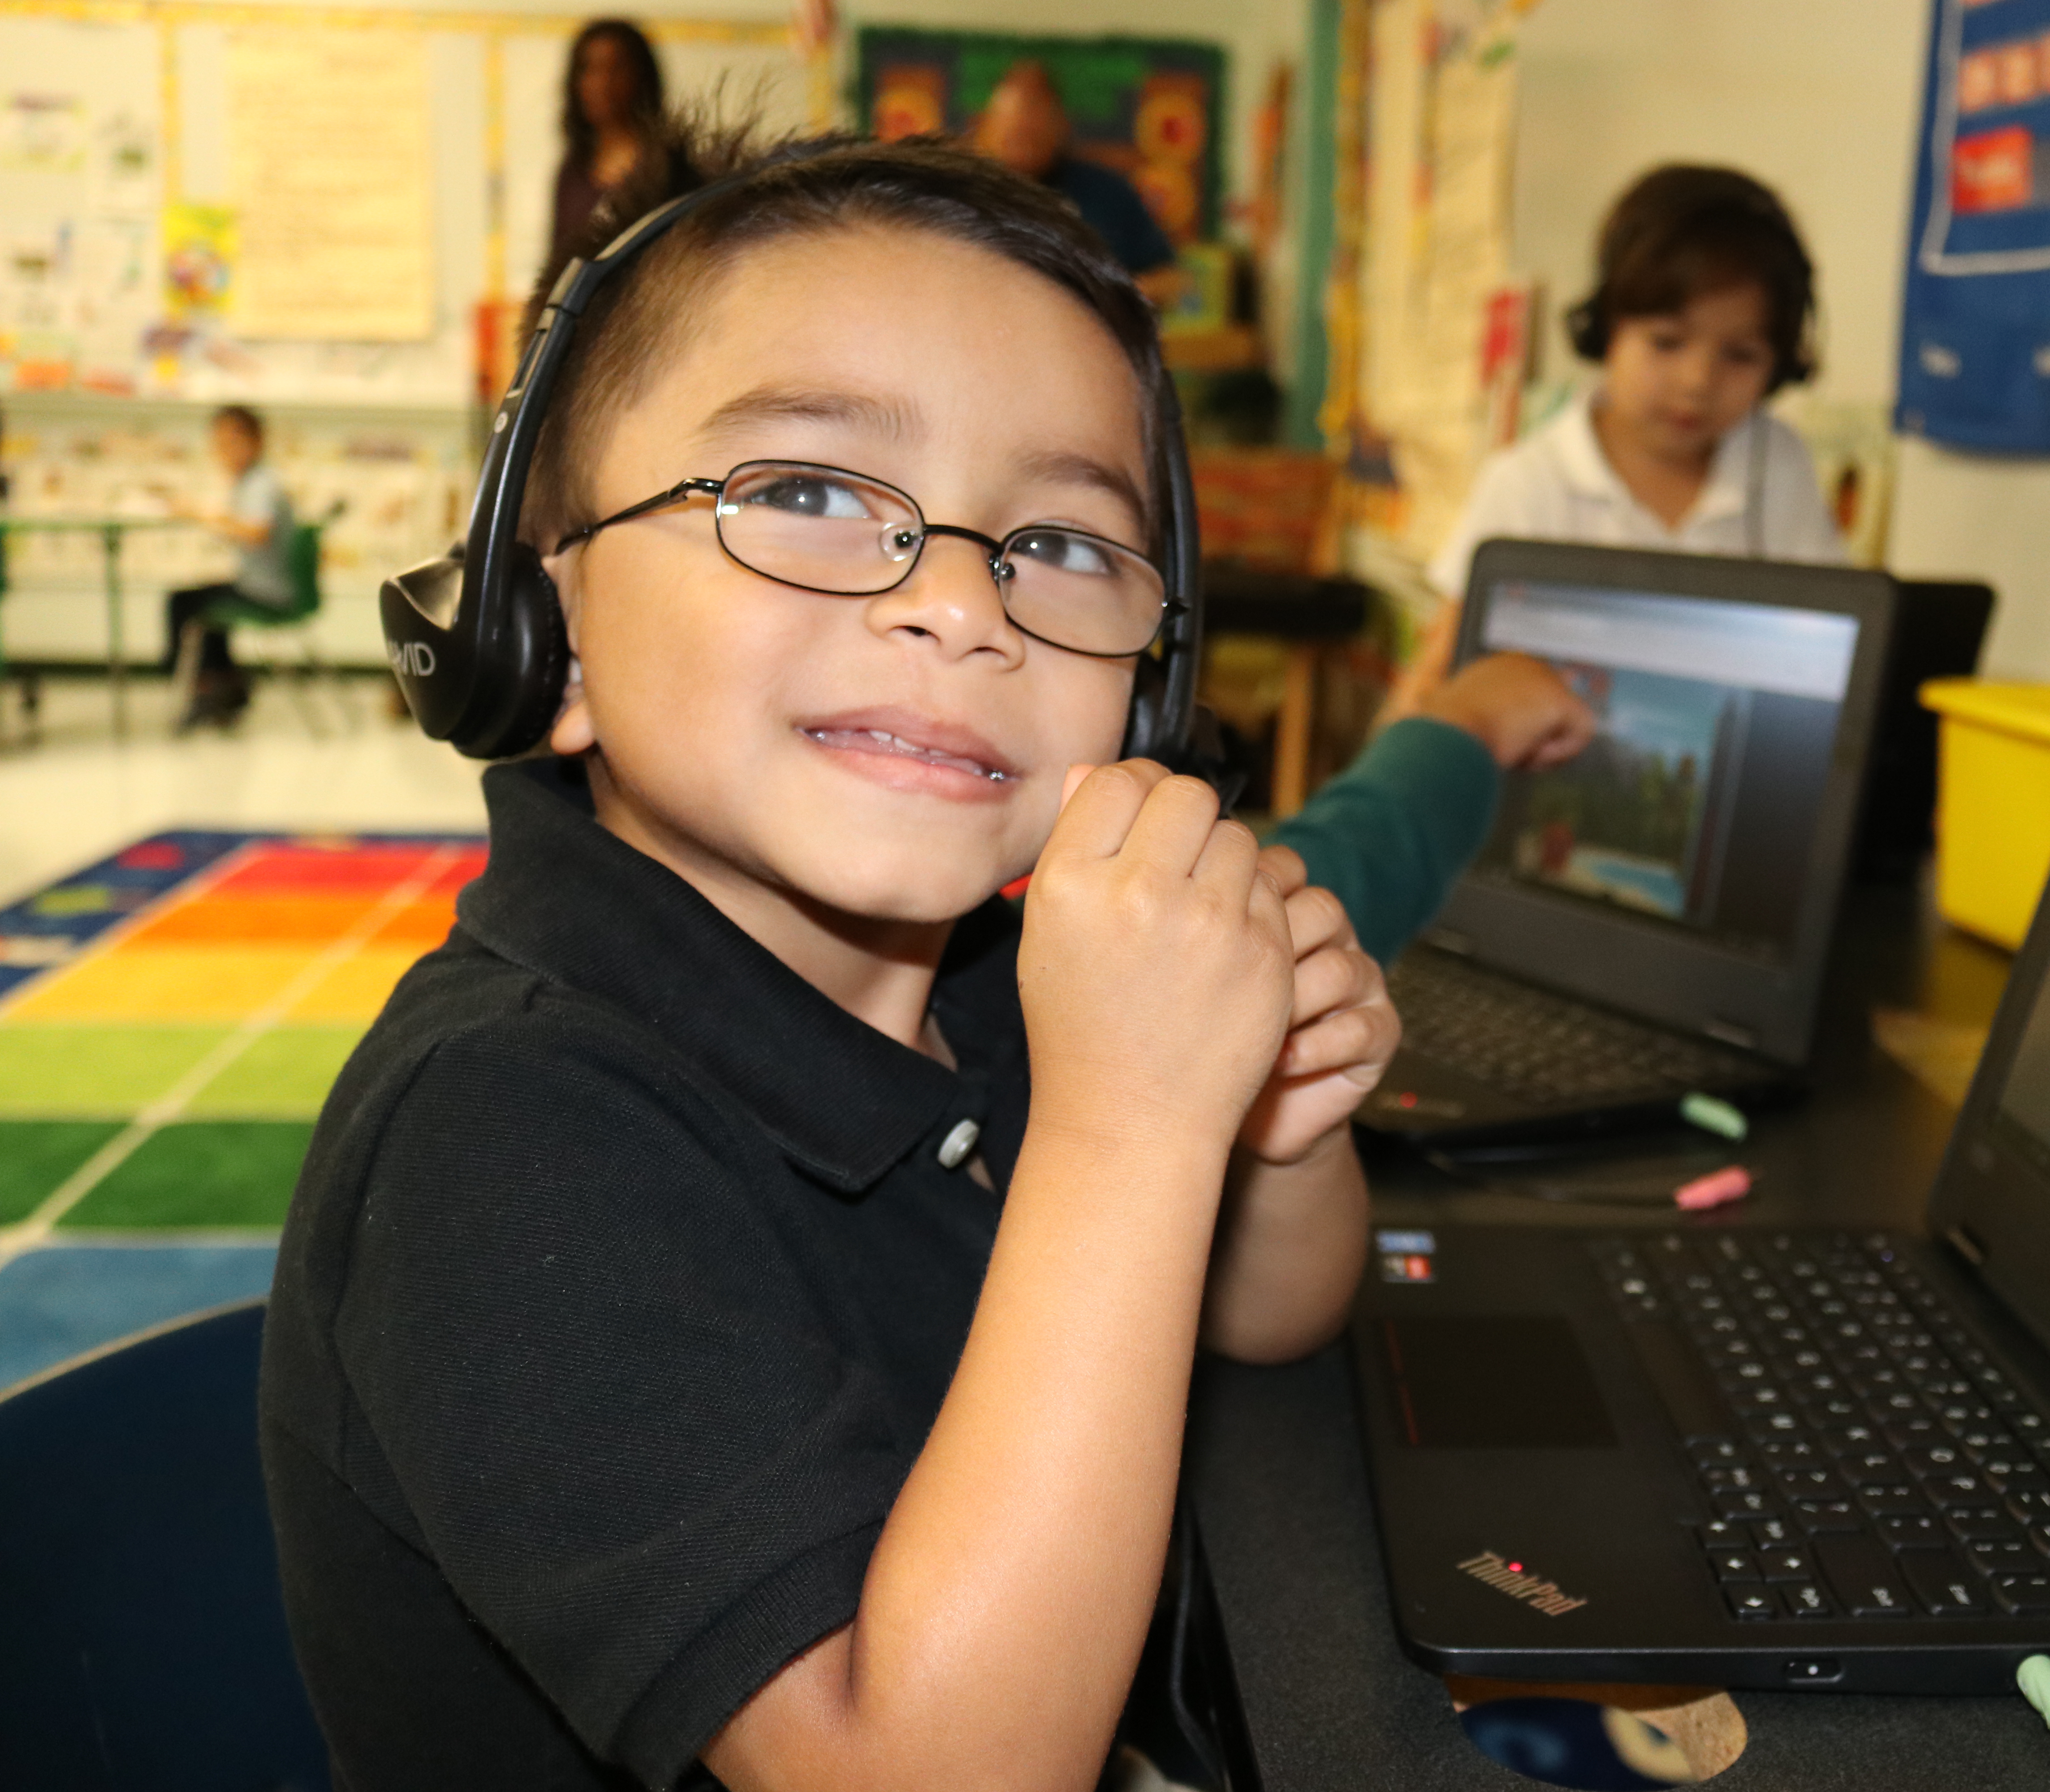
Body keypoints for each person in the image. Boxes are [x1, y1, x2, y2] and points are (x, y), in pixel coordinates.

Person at [256, 131, 1579, 1792]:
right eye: (806, 492)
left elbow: (1271, 1309)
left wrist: (1279, 1115)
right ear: (546, 634)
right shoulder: (500, 1136)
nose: (964, 604)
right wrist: (1133, 1125)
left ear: (1150, 697)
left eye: (1062, 545)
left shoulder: (993, 974)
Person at [1427, 164, 1847, 602]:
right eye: (1666, 343)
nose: (1698, 382)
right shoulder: (1529, 485)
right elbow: (1447, 663)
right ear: (1607, 328)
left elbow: (1832, 617)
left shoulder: (1777, 461)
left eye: (1740, 355)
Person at [967, 59, 1181, 306]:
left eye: (1034, 129)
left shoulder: (1108, 192)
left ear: (1062, 126)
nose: (1025, 134)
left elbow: (1171, 280)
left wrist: (1110, 301)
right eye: (1014, 134)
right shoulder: (959, 194)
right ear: (983, 129)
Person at [164, 404, 294, 730]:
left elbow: (256, 533)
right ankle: (225, 685)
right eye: (219, 444)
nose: (225, 452)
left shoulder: (261, 483)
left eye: (234, 442)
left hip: (267, 590)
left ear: (256, 442)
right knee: (209, 608)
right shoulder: (251, 481)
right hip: (260, 583)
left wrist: (200, 515)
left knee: (185, 604)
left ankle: (200, 684)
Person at [549, 20, 690, 261]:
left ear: (641, 77)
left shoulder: (670, 166)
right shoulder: (573, 171)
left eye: (615, 69)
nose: (601, 84)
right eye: (588, 69)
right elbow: (557, 261)